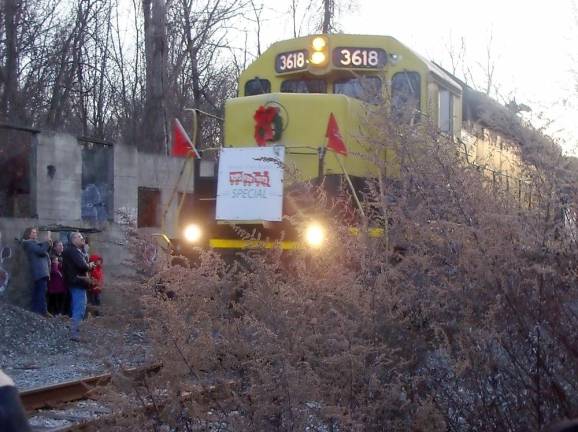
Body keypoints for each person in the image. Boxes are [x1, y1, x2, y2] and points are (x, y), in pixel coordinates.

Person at [62, 232, 95, 341]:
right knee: (79, 308)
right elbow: (82, 265)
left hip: (76, 282)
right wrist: (90, 266)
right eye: (80, 237)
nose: (82, 239)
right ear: (73, 239)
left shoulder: (75, 251)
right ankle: (74, 333)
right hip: (77, 282)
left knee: (76, 306)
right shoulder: (73, 251)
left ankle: (74, 328)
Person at [21, 227, 52, 316]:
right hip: (39, 271)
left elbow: (44, 251)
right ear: (28, 234)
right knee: (40, 293)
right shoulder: (28, 243)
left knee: (40, 292)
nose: (36, 234)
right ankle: (38, 313)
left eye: (36, 232)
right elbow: (41, 251)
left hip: (42, 272)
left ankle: (41, 311)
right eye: (33, 232)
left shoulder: (35, 243)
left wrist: (48, 244)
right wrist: (47, 242)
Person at [47, 245, 67, 315]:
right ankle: (55, 314)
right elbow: (54, 270)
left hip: (61, 283)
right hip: (55, 283)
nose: (62, 247)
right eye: (59, 245)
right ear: (55, 247)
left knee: (61, 299)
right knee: (55, 299)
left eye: (62, 245)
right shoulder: (53, 257)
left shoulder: (63, 256)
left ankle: (59, 313)